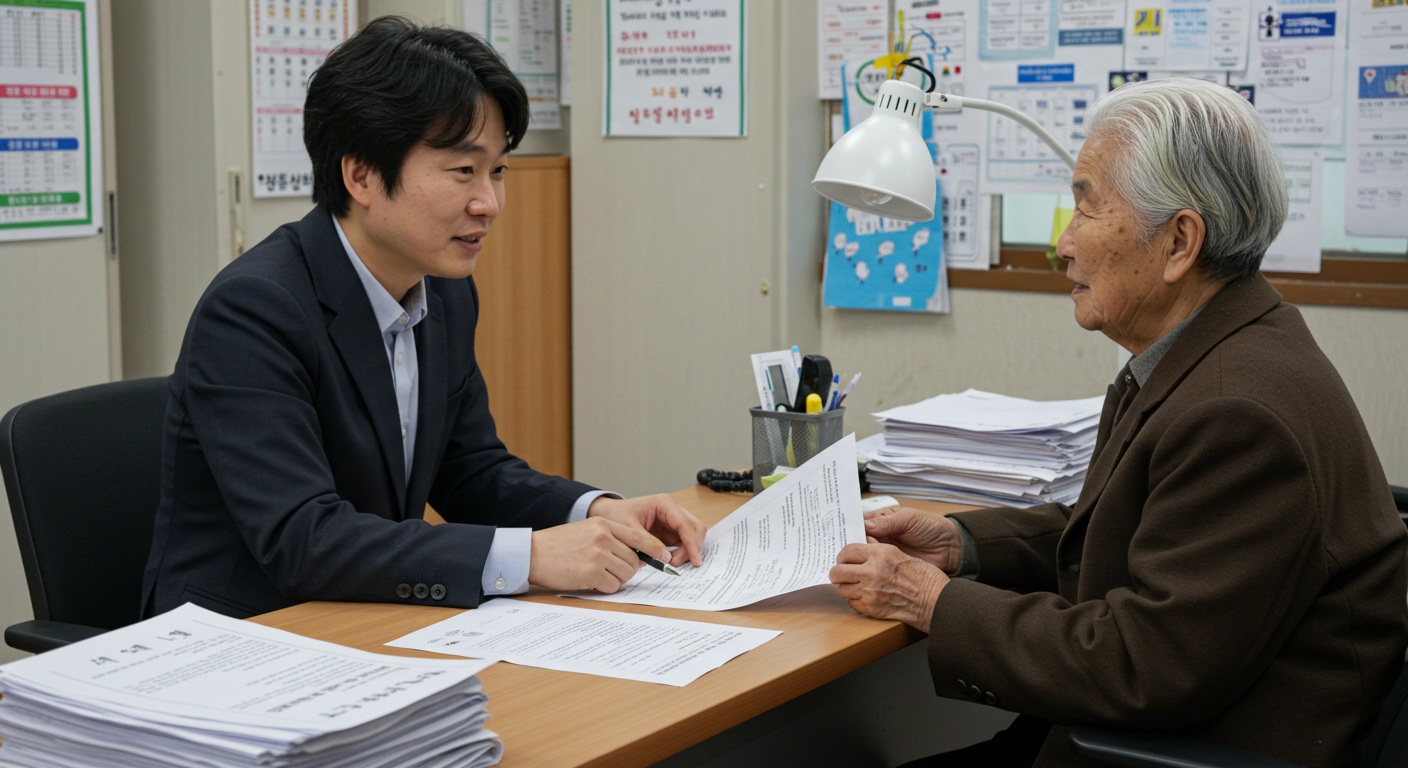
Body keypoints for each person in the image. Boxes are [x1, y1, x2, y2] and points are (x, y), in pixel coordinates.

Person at [829, 77, 1408, 767]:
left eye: (1086, 208)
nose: (1063, 244)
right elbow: (1126, 537)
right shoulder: (1223, 349)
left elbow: (1141, 666)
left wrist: (930, 600)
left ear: (1179, 242)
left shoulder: (1237, 414)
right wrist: (960, 543)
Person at [141, 16, 705, 620]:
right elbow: (302, 538)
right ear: (360, 175)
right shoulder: (254, 309)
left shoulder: (443, 293)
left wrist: (595, 511)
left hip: (365, 614)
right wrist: (532, 555)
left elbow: (470, 471)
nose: (489, 203)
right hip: (241, 634)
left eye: (497, 171)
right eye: (464, 171)